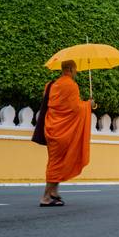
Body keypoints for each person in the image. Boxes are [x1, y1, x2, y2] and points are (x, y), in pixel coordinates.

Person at [40, 60, 95, 207]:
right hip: (63, 131)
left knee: (57, 161)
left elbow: (58, 106)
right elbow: (75, 108)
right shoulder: (71, 85)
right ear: (70, 69)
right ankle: (45, 197)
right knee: (56, 163)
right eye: (75, 69)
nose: (76, 72)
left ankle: (54, 193)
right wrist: (88, 105)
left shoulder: (51, 85)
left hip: (51, 127)